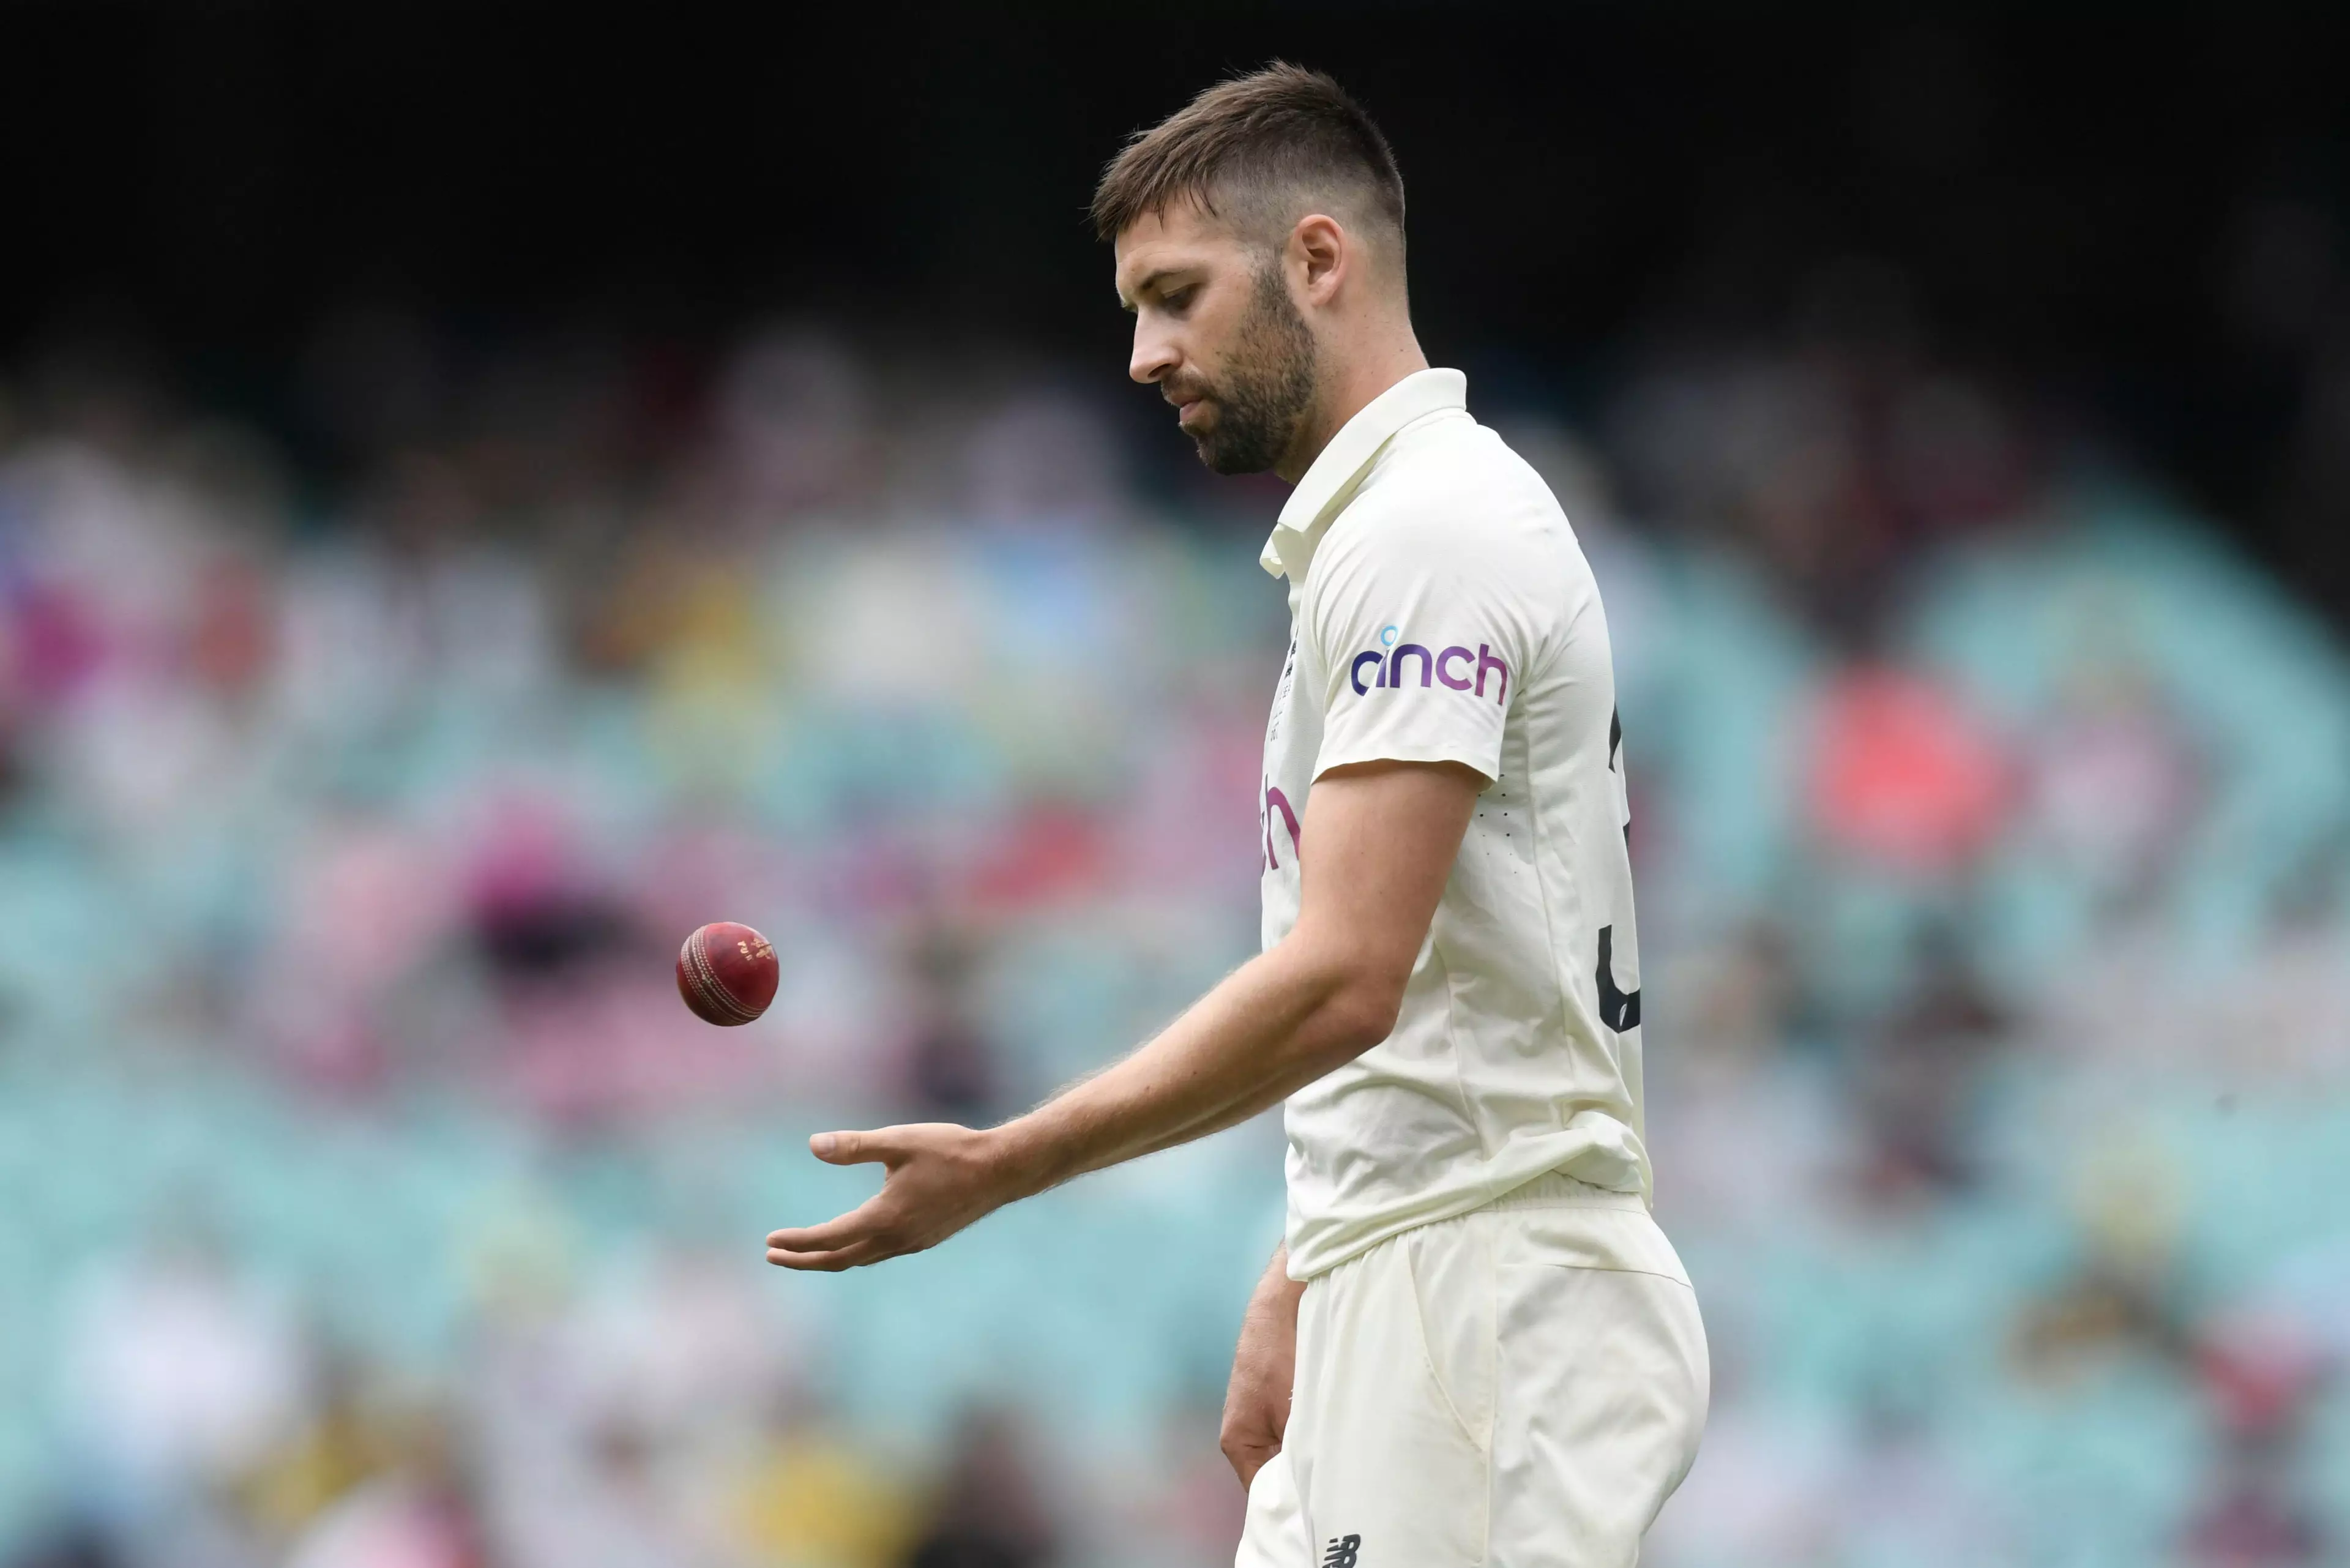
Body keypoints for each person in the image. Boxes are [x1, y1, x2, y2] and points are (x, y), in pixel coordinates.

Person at [766, 63, 1709, 1566]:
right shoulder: (1382, 535)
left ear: (1318, 260)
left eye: (1177, 297)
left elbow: (1346, 977)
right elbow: (1455, 998)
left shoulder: (1428, 530)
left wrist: (1012, 1161)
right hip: (1407, 1275)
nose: (1142, 355)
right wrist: (1311, 1262)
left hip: (1486, 1310)